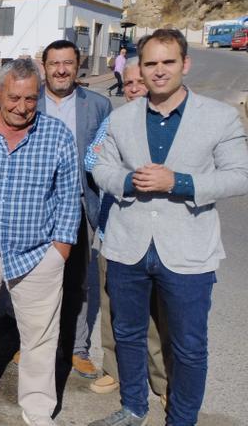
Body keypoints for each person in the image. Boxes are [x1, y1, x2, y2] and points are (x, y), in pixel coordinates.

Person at [90, 29, 248, 426]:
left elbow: (240, 175)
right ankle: (133, 407)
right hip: (128, 247)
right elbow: (102, 168)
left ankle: (182, 418)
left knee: (189, 346)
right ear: (139, 69)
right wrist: (128, 182)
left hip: (189, 252)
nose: (159, 71)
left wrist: (179, 182)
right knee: (127, 334)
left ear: (184, 64)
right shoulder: (121, 117)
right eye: (151, 63)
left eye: (168, 62)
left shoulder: (219, 116)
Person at [0, 58, 80, 426]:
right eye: (14, 98)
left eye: (31, 99)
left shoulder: (56, 135)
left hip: (37, 254)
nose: (22, 108)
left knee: (39, 336)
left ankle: (37, 405)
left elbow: (69, 197)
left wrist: (61, 249)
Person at [85, 56, 169, 400]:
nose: (134, 88)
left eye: (140, 82)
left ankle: (162, 381)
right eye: (130, 83)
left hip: (157, 235)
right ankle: (114, 370)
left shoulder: (167, 123)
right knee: (113, 308)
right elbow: (92, 158)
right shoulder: (116, 120)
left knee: (155, 315)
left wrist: (120, 165)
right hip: (112, 231)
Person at [38, 39, 112, 380]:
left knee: (77, 280)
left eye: (67, 63)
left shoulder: (98, 105)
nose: (61, 70)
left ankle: (77, 348)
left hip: (79, 202)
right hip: (36, 205)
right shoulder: (29, 102)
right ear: (45, 67)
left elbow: (107, 156)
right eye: (54, 63)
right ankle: (35, 344)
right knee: (36, 279)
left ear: (77, 64)